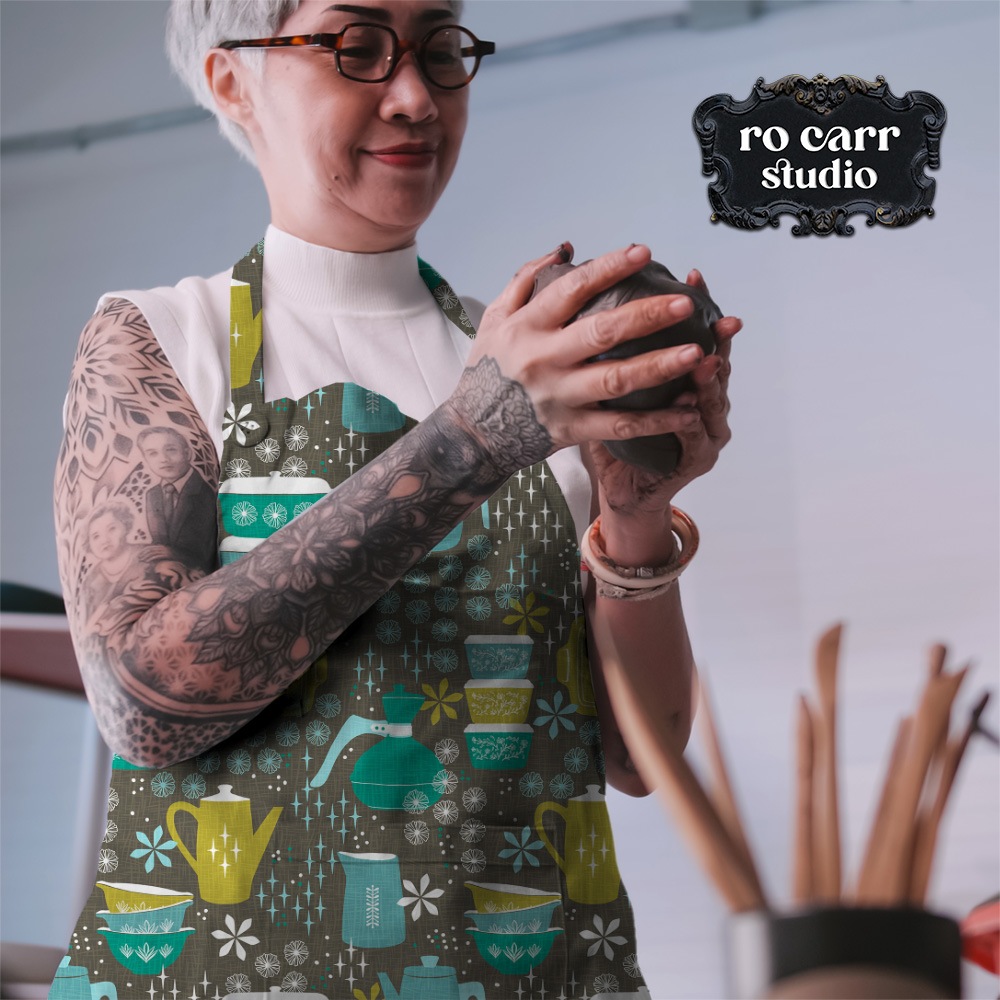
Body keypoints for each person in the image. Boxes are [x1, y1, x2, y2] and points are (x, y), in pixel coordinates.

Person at [52, 1, 742, 996]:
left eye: (438, 48)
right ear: (232, 80)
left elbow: (637, 759)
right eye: (356, 47)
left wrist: (633, 515)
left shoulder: (521, 359)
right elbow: (141, 705)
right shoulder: (160, 340)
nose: (416, 97)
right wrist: (470, 441)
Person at [138, 426, 218, 573]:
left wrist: (173, 553)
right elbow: (159, 542)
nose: (164, 459)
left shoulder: (204, 492)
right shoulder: (153, 494)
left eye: (171, 450)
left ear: (187, 453)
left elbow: (209, 551)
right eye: (153, 453)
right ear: (145, 460)